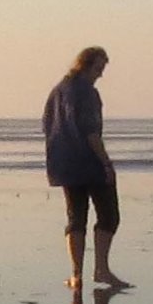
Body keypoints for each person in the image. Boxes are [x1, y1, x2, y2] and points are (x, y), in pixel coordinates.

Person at [42, 45, 126, 289]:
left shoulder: (57, 91)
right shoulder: (87, 93)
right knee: (109, 215)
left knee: (76, 216)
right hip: (88, 162)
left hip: (64, 163)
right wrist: (106, 163)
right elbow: (91, 132)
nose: (101, 74)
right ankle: (101, 269)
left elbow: (47, 127)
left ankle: (76, 274)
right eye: (99, 68)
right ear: (86, 65)